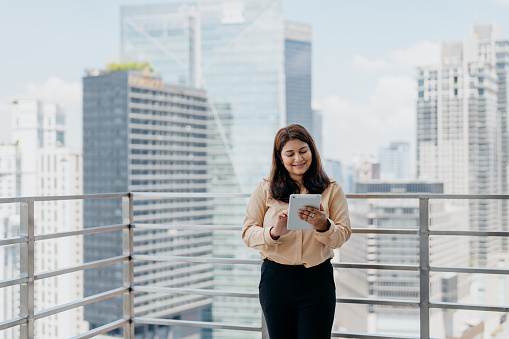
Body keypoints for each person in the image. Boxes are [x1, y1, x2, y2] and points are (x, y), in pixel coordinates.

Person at [242, 124, 351, 339]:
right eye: (289, 153)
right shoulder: (265, 188)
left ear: (312, 151)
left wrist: (324, 226)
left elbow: (343, 234)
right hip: (277, 280)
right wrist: (273, 232)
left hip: (317, 281)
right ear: (280, 157)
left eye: (303, 151)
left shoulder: (332, 189)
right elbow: (247, 232)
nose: (298, 159)